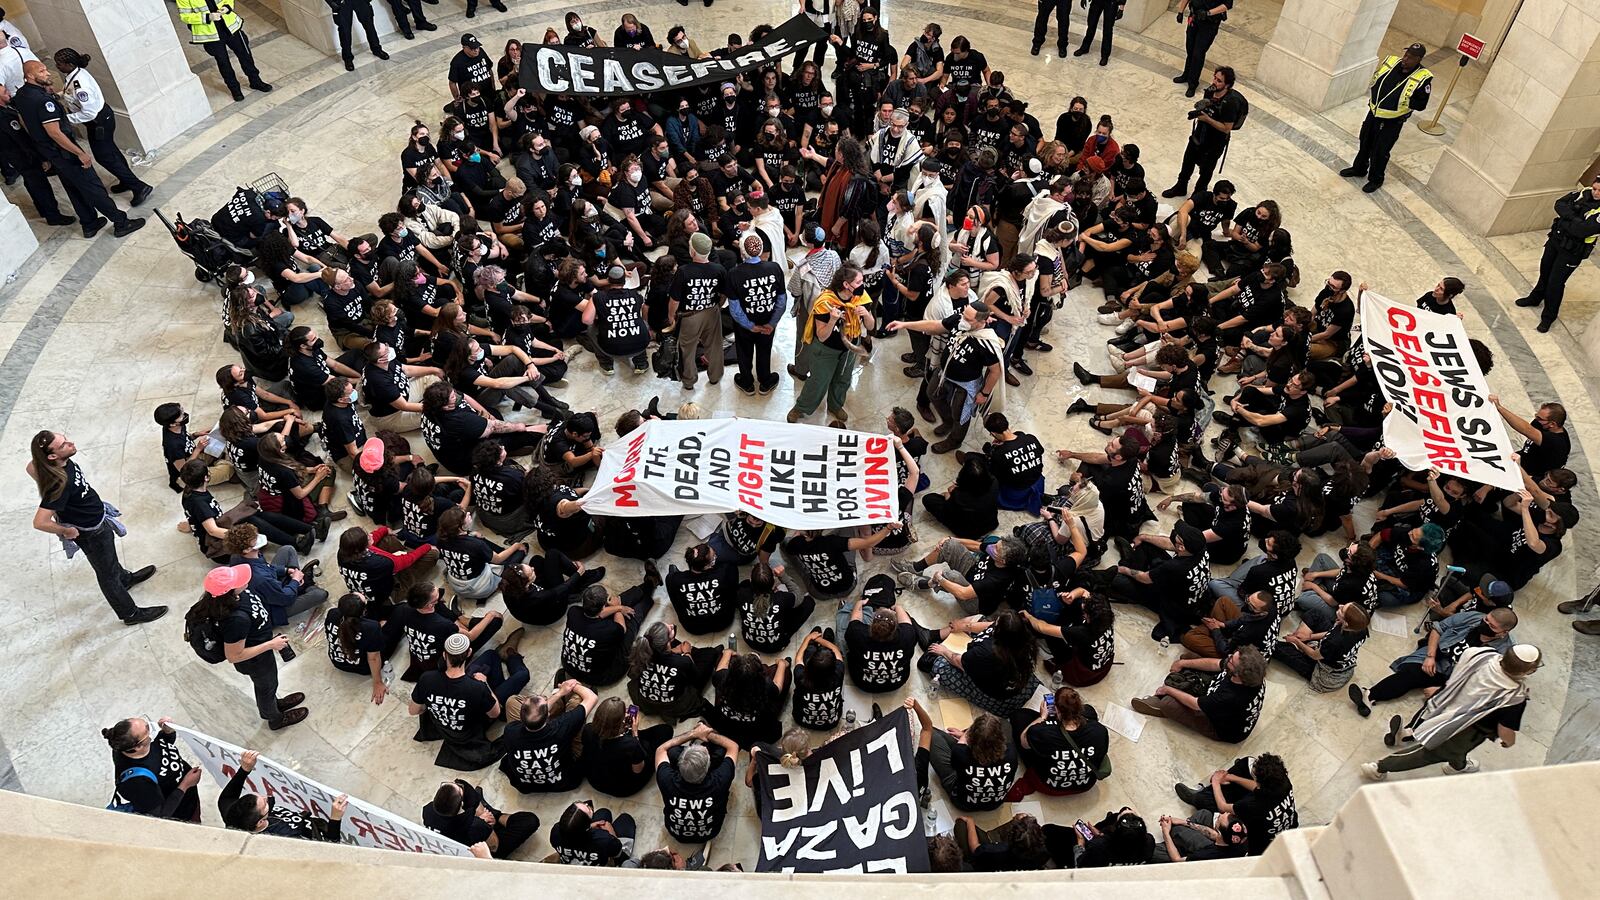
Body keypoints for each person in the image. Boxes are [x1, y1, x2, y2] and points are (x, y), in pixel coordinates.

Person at [29, 431, 162, 625]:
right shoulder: (59, 484)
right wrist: (66, 531)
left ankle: (124, 579)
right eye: (64, 444)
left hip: (97, 520)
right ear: (52, 456)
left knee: (108, 560)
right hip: (90, 532)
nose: (71, 443)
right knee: (106, 574)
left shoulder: (58, 466)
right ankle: (130, 614)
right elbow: (40, 521)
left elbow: (31, 467)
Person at [1363, 644, 1541, 780]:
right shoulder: (1513, 696)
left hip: (1445, 701)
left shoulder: (1483, 654)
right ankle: (1379, 767)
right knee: (1429, 753)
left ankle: (1457, 766)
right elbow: (1505, 729)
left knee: (1455, 750)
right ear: (1530, 671)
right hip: (1464, 728)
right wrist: (1509, 741)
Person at [11, 61, 145, 238]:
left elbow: (25, 122)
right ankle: (121, 222)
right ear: (30, 76)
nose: (48, 73)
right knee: (93, 187)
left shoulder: (21, 95)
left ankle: (89, 223)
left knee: (72, 187)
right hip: (64, 152)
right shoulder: (43, 102)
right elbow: (55, 133)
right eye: (42, 71)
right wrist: (79, 153)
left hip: (50, 152)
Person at [189, 564, 307, 730]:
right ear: (229, 592)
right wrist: (270, 645)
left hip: (260, 650)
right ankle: (274, 718)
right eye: (238, 580)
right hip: (255, 661)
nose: (244, 579)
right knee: (265, 687)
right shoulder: (236, 619)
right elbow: (234, 656)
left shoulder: (235, 596)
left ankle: (275, 703)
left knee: (270, 685)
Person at [51, 49, 152, 205]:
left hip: (98, 122)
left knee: (104, 157)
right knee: (111, 152)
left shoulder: (80, 85)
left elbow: (89, 113)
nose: (56, 66)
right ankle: (126, 180)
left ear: (69, 64)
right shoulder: (75, 75)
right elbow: (70, 92)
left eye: (59, 63)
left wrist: (66, 119)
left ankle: (139, 187)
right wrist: (59, 95)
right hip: (100, 119)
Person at [788, 264, 874, 427]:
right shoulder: (825, 302)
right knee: (818, 381)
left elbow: (870, 326)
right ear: (846, 285)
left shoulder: (860, 298)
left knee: (843, 379)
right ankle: (801, 407)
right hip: (826, 348)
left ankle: (835, 405)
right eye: (858, 282)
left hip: (849, 347)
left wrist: (866, 314)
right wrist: (833, 320)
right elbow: (821, 336)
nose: (862, 285)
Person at [1339, 43, 1432, 194]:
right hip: (1374, 113)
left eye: (1411, 58)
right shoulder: (1392, 63)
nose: (1406, 59)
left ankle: (1375, 179)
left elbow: (1421, 104)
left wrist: (1404, 100)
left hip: (1392, 121)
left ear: (1419, 59)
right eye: (1406, 54)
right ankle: (1359, 168)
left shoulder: (1423, 78)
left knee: (1380, 151)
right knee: (1365, 141)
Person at [409, 631, 508, 770]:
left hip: (446, 726)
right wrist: (485, 684)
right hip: (471, 726)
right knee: (520, 676)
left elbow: (414, 710)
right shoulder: (476, 687)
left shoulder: (427, 678)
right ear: (469, 653)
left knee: (491, 655)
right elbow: (495, 713)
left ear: (444, 654)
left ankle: (506, 656)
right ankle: (513, 659)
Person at [1514, 174, 1600, 331]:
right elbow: (1559, 204)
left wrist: (1567, 218)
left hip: (1573, 251)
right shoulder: (1583, 193)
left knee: (1555, 283)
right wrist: (1573, 219)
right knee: (1545, 271)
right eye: (1595, 188)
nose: (1596, 193)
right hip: (1556, 241)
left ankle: (1548, 316)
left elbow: (1582, 231)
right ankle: (1535, 298)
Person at [1132, 646, 1267, 743]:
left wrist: (1167, 690)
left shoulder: (1229, 697)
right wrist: (1183, 663)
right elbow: (1217, 664)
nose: (1229, 658)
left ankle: (1161, 707)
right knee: (1189, 658)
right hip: (1219, 699)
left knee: (1168, 703)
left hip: (1220, 727)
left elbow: (1195, 704)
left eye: (1231, 661)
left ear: (1238, 674)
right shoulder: (1253, 676)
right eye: (1232, 655)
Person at [1173, 753, 1298, 855]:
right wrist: (1232, 777)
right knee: (1245, 763)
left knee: (1206, 801)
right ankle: (1224, 783)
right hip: (1283, 829)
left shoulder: (1252, 805)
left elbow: (1223, 807)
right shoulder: (1283, 782)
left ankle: (1198, 797)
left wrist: (1216, 782)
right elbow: (1257, 787)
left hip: (1255, 841)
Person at [562, 570, 662, 687]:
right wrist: (616, 607)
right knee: (631, 621)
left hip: (569, 666)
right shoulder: (608, 629)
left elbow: (599, 612)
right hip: (603, 676)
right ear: (603, 606)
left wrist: (618, 606)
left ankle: (649, 583)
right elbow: (622, 629)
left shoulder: (573, 612)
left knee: (619, 604)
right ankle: (646, 596)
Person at [1008, 686, 1110, 799]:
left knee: (1019, 717)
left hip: (1049, 785)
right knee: (1090, 711)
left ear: (1056, 710)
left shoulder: (1042, 733)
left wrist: (1042, 717)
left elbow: (1024, 742)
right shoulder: (1099, 730)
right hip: (1085, 784)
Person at [220, 749, 343, 840]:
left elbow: (227, 798)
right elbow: (330, 846)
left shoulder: (232, 816)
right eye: (265, 804)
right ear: (260, 822)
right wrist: (335, 818)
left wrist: (244, 770)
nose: (265, 797)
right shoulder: (285, 838)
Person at [500, 678, 596, 793]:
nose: (546, 698)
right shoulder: (561, 726)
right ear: (548, 716)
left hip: (526, 785)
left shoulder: (511, 731)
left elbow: (538, 715)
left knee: (511, 701)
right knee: (577, 700)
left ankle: (559, 701)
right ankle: (564, 701)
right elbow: (592, 697)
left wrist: (560, 693)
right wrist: (569, 686)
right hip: (565, 780)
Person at [1161, 66, 1244, 199]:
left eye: (1219, 81)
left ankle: (1198, 196)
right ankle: (1180, 186)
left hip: (1214, 143)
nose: (1214, 82)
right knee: (1187, 162)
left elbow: (1226, 128)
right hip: (1199, 135)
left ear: (1227, 85)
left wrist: (1207, 119)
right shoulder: (1210, 92)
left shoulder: (1230, 103)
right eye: (1214, 78)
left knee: (1205, 172)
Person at [224, 524, 328, 627]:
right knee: (321, 595)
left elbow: (267, 567)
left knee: (288, 549)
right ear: (246, 549)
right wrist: (295, 580)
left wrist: (286, 570)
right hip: (274, 608)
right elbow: (286, 598)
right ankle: (304, 585)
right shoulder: (260, 578)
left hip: (269, 587)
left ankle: (299, 582)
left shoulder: (239, 556)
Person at [103, 716, 202, 821]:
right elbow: (158, 814)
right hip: (180, 811)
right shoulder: (138, 782)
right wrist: (185, 785)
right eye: (148, 729)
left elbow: (163, 745)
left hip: (189, 796)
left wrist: (168, 732)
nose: (152, 728)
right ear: (138, 747)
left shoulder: (132, 743)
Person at [655, 723, 740, 843]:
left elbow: (661, 749)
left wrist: (693, 734)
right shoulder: (720, 780)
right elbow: (733, 747)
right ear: (708, 768)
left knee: (672, 751)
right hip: (710, 832)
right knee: (721, 751)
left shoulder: (666, 779)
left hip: (675, 832)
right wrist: (708, 734)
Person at [175, 0, 273, 102]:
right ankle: (235, 89)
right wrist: (208, 17)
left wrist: (227, 7)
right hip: (211, 34)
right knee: (223, 62)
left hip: (230, 26)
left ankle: (255, 81)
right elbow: (185, 16)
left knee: (245, 54)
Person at [727, 232, 787, 395]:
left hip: (744, 325)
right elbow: (781, 301)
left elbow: (734, 307)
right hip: (767, 321)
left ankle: (746, 382)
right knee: (764, 350)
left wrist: (749, 325)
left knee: (743, 351)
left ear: (742, 252)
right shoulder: (774, 268)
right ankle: (765, 381)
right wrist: (771, 324)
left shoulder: (734, 273)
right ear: (761, 251)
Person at [423, 779, 538, 859]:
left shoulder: (427, 810)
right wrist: (488, 824)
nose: (457, 784)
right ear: (461, 804)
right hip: (481, 847)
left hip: (457, 837)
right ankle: (495, 815)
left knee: (466, 789)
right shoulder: (477, 826)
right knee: (529, 821)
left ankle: (488, 812)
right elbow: (494, 846)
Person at [668, 231, 727, 390]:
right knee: (715, 346)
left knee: (687, 349)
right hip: (711, 311)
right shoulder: (719, 269)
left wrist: (671, 316)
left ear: (692, 251)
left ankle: (689, 381)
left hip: (690, 316)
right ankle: (715, 376)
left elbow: (675, 299)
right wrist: (718, 306)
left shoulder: (683, 271)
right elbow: (724, 293)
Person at [627, 621, 719, 720]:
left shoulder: (641, 655)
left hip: (646, 701)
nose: (672, 625)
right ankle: (712, 653)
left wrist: (672, 651)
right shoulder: (682, 661)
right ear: (667, 642)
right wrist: (687, 653)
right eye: (670, 629)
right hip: (673, 704)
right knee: (710, 654)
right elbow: (695, 678)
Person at [550, 800, 635, 866]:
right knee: (625, 820)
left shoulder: (555, 831)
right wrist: (611, 834)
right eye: (590, 812)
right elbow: (617, 851)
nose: (588, 804)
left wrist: (590, 826)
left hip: (572, 861)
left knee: (603, 812)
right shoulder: (603, 839)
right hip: (601, 866)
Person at [1174, 2, 1233, 96]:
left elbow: (1227, 5)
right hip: (1194, 18)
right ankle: (1186, 75)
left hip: (1209, 23)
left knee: (1198, 54)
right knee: (1190, 49)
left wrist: (1208, 13)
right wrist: (1180, 12)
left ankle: (1192, 83)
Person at [327, 0, 390, 71]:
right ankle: (347, 58)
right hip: (341, 2)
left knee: (369, 25)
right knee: (344, 31)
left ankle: (377, 49)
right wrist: (332, 3)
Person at [1074, 0, 1125, 66]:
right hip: (1096, 1)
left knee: (1108, 29)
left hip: (1111, 3)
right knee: (1091, 25)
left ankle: (1105, 55)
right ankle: (1084, 48)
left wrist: (1121, 9)